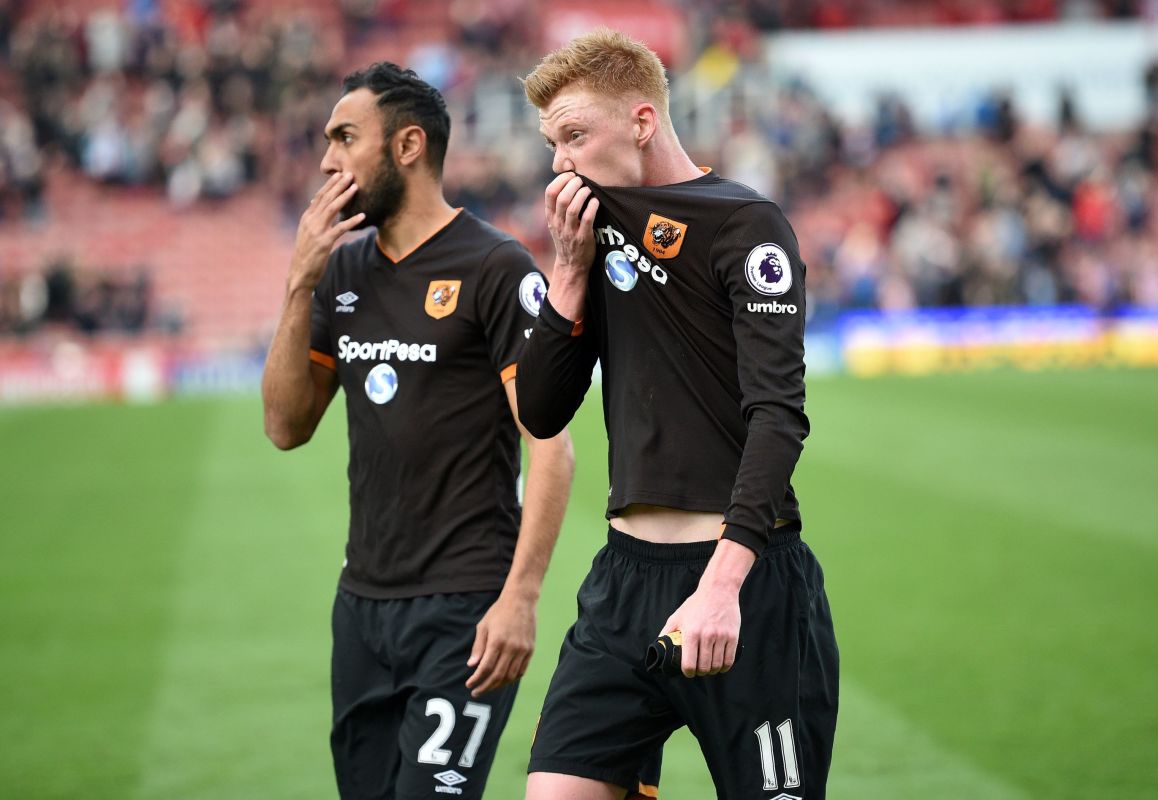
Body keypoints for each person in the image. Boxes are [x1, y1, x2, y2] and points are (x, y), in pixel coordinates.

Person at [516, 30, 839, 800]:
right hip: (623, 584)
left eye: (573, 135)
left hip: (745, 584)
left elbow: (779, 417)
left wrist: (724, 583)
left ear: (640, 121)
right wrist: (567, 273)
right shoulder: (592, 236)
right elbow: (540, 408)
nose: (559, 160)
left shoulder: (745, 224)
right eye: (551, 143)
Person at [260, 63, 574, 800]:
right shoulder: (341, 275)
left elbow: (550, 448)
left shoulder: (494, 268)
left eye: (345, 137)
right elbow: (283, 426)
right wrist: (298, 283)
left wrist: (520, 597)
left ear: (407, 146)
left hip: (465, 608)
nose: (327, 159)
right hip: (362, 610)